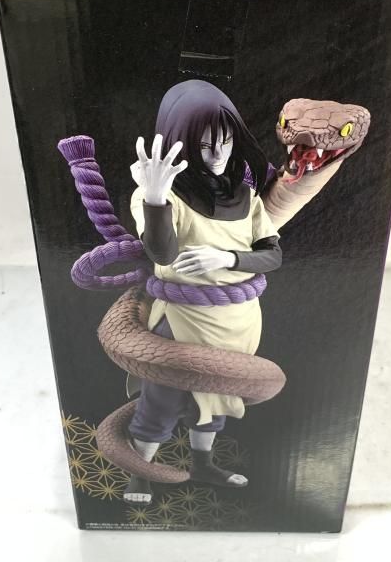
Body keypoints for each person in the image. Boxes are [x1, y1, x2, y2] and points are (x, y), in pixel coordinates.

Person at [123, 80, 282, 504]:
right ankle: (141, 472)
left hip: (238, 320)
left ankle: (203, 464)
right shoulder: (160, 195)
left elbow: (272, 255)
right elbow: (162, 253)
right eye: (205, 144)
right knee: (163, 397)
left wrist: (227, 258)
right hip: (182, 319)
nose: (217, 154)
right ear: (182, 142)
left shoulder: (246, 196)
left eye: (225, 142)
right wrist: (156, 198)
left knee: (218, 394)